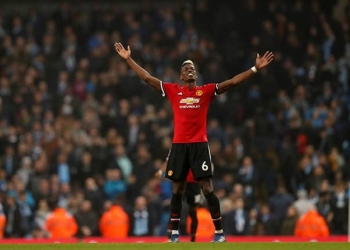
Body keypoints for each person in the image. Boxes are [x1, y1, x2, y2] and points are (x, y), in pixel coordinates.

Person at [114, 42, 273, 243]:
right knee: (177, 190)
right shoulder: (172, 91)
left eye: (193, 69)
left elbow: (232, 82)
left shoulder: (205, 91)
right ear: (181, 76)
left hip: (199, 146)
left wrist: (254, 69)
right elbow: (146, 78)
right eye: (186, 69)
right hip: (179, 146)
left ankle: (219, 233)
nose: (190, 70)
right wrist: (128, 59)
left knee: (207, 189)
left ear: (196, 75)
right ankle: (173, 234)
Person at [157, 156, 201, 242]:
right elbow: (168, 160)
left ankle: (193, 238)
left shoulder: (197, 147)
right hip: (182, 181)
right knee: (175, 207)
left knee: (193, 212)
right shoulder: (179, 147)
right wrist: (160, 171)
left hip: (194, 184)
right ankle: (171, 236)